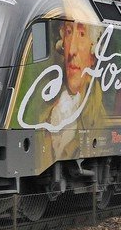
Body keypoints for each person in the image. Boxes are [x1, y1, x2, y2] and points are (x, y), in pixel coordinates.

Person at [41, 19, 107, 160]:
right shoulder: (48, 114)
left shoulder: (100, 118)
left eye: (82, 34)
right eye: (69, 32)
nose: (71, 50)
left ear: (94, 52)